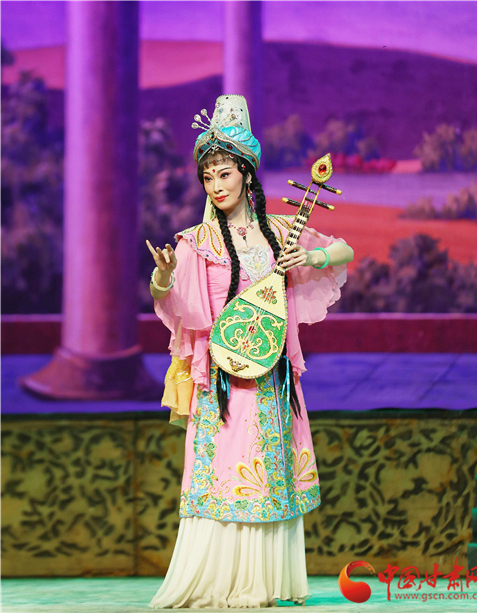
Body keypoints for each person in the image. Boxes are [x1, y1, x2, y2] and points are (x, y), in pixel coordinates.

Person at [147, 95, 353, 609]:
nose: (216, 186)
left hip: (271, 376)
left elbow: (343, 250)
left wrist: (313, 255)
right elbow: (172, 301)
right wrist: (163, 277)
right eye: (208, 177)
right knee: (223, 470)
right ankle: (218, 581)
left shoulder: (278, 230)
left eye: (224, 174)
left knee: (270, 469)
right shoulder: (197, 241)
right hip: (223, 375)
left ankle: (265, 582)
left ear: (246, 173)